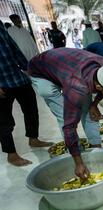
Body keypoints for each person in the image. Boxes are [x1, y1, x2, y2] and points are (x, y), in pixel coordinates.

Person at [28, 48, 103, 179]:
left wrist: (94, 104)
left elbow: (100, 91)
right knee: (64, 117)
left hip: (65, 67)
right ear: (99, 86)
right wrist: (78, 162)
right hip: (41, 72)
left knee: (90, 111)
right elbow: (69, 126)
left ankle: (97, 148)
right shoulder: (77, 87)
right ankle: (78, 155)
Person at [0, 21, 52, 167]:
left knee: (31, 110)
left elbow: (13, 48)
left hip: (17, 77)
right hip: (1, 83)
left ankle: (33, 138)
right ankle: (11, 154)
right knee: (4, 122)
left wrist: (28, 68)